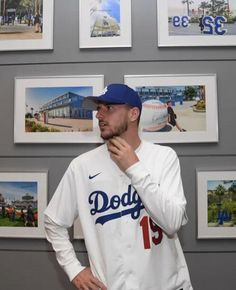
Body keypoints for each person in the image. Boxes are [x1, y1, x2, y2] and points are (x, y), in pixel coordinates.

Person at [44, 84, 193, 290]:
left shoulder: (164, 157)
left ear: (133, 114)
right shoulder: (82, 165)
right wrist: (73, 268)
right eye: (99, 108)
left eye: (109, 108)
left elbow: (173, 222)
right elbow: (53, 221)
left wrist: (134, 167)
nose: (99, 115)